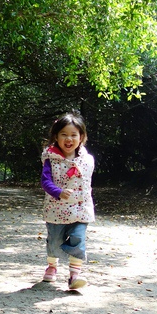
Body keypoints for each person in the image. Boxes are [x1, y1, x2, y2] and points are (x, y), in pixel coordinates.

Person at [40, 111, 95, 290]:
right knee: (55, 240)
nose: (69, 139)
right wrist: (58, 192)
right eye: (64, 134)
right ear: (56, 137)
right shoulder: (51, 159)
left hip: (80, 209)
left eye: (73, 135)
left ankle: (74, 275)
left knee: (78, 238)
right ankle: (52, 266)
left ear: (81, 137)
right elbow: (45, 181)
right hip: (57, 209)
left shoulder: (87, 160)